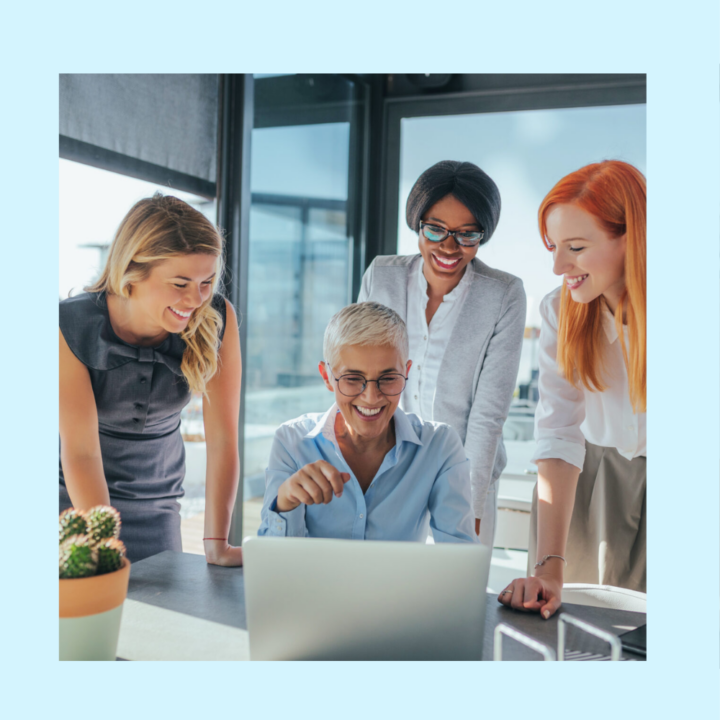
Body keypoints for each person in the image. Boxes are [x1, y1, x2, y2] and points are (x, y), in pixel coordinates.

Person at [59, 194, 243, 566]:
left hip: (160, 506)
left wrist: (216, 543)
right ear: (132, 271)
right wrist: (104, 549)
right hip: (72, 507)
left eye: (207, 281)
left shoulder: (218, 319)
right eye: (180, 283)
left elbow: (223, 440)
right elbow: (82, 452)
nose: (196, 299)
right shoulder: (68, 325)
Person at [499, 160, 646, 619]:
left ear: (631, 238)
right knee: (583, 632)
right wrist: (550, 566)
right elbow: (560, 434)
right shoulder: (560, 313)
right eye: (554, 246)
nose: (558, 265)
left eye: (576, 247)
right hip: (585, 489)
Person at [358, 160, 526, 546]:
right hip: (386, 468)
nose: (449, 247)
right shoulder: (381, 276)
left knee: (453, 597)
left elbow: (488, 415)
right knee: (386, 593)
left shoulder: (503, 295)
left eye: (467, 234)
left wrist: (470, 509)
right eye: (435, 229)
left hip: (464, 471)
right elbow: (356, 371)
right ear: (417, 224)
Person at [258, 302, 478, 544]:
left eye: (388, 378)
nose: (371, 397)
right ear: (327, 377)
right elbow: (276, 566)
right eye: (353, 378)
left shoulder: (440, 446)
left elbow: (459, 554)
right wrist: (285, 501)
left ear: (406, 372)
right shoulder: (291, 442)